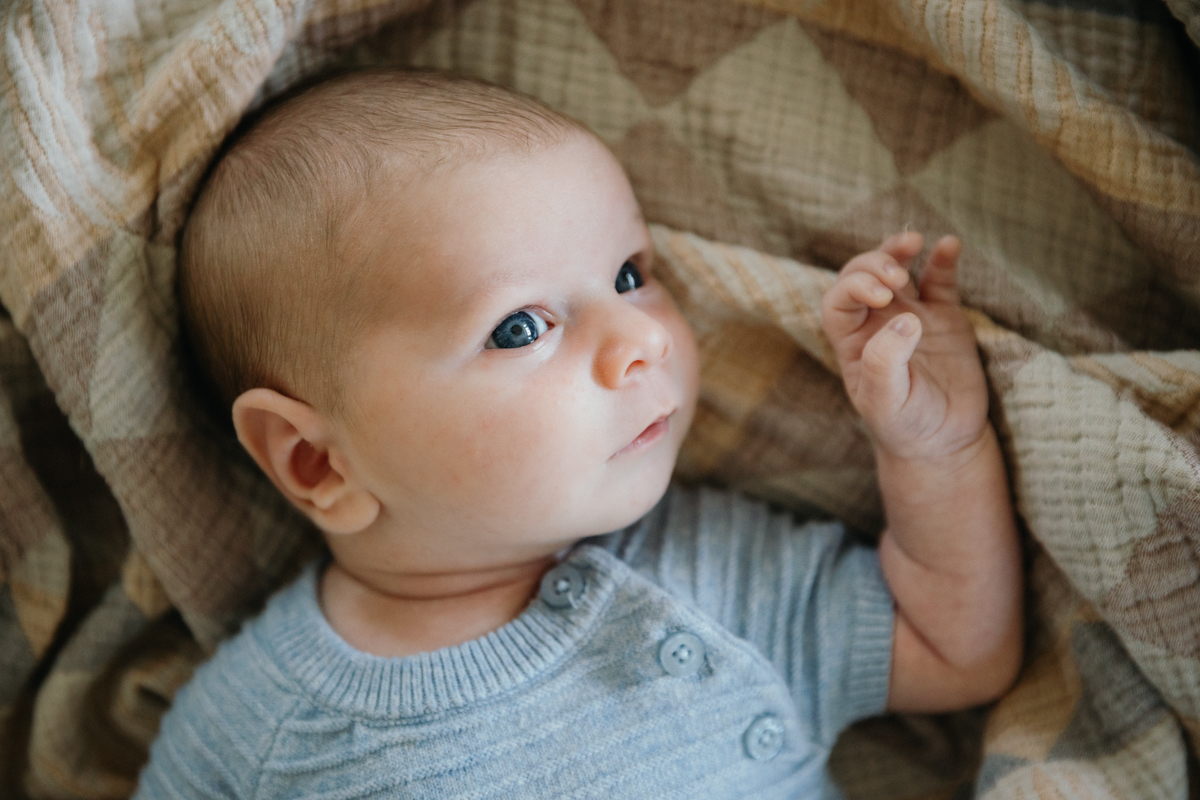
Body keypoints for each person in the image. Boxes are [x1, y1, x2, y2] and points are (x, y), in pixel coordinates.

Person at [136, 68, 1022, 799]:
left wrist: (936, 447)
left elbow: (957, 651)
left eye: (630, 275)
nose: (642, 338)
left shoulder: (710, 581)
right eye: (522, 327)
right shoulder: (251, 734)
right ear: (316, 462)